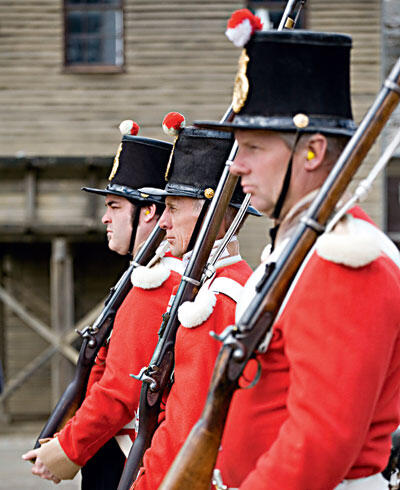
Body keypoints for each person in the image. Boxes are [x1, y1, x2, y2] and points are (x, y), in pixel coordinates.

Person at [196, 23, 400, 490]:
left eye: (251, 147)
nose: (235, 164)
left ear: (312, 152)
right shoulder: (294, 249)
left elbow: (319, 443)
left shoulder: (344, 259)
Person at [22, 120, 185, 489]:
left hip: (126, 458)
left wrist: (68, 448)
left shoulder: (157, 283)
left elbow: (119, 392)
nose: (105, 218)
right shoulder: (146, 275)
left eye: (114, 206)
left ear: (148, 212)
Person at [129, 113, 260, 489]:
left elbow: (186, 426)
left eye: (172, 208)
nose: (163, 223)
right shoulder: (223, 283)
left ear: (208, 213)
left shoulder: (217, 300)